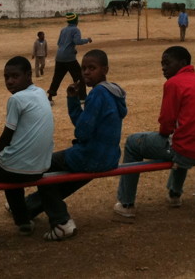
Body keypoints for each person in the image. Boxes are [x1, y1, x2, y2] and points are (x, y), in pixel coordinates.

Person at [25, 49, 127, 240]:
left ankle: (61, 221)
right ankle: (27, 207)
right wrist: (74, 99)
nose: (86, 72)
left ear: (105, 69)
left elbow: (82, 131)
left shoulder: (97, 94)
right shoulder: (114, 92)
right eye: (84, 68)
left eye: (92, 68)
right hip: (109, 157)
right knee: (63, 178)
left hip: (91, 156)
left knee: (44, 167)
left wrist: (72, 102)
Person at [114, 46, 195, 217]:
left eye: (167, 63)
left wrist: (165, 134)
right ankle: (174, 194)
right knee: (182, 136)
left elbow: (166, 123)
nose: (163, 68)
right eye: (162, 64)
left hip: (186, 151)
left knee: (132, 143)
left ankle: (126, 203)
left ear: (183, 63)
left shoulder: (173, 83)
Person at [0, 56, 54, 235]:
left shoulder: (17, 99)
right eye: (6, 77)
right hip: (41, 167)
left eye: (14, 76)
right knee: (11, 166)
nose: (9, 81)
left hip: (17, 169)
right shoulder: (41, 93)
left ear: (28, 75)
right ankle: (23, 221)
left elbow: (6, 136)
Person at [47, 12, 92, 104]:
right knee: (79, 77)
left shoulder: (63, 30)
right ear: (76, 21)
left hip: (59, 57)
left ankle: (50, 98)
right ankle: (82, 98)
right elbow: (77, 41)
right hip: (69, 58)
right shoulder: (76, 30)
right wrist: (87, 40)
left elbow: (59, 43)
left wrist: (71, 49)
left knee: (57, 78)